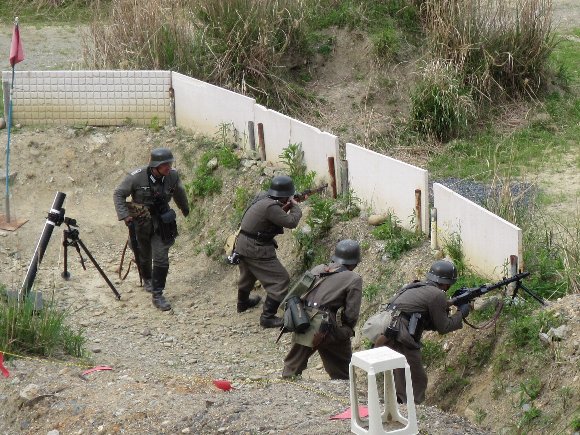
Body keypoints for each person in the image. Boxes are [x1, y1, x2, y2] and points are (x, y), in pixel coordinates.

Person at [373, 259, 470, 404]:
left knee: (400, 373)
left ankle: (399, 404)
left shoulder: (415, 286)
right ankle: (411, 409)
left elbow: (425, 318)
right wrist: (462, 313)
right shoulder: (437, 294)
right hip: (399, 333)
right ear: (446, 283)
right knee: (416, 378)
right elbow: (444, 327)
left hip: (387, 330)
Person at [113, 148, 189, 311]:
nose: (168, 167)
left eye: (169, 163)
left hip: (161, 222)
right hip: (141, 222)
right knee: (143, 254)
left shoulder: (172, 176)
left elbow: (179, 192)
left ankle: (157, 294)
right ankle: (147, 278)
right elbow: (119, 193)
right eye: (165, 165)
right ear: (155, 166)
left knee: (161, 257)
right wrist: (125, 215)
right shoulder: (137, 177)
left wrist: (184, 208)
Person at [282, 239, 363, 380]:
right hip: (324, 324)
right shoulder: (353, 279)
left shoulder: (318, 269)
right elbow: (351, 313)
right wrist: (347, 328)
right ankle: (345, 383)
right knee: (343, 366)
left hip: (302, 318)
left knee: (293, 364)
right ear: (354, 262)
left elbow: (298, 292)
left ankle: (287, 381)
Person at [234, 175, 302, 328]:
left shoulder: (264, 198)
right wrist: (295, 207)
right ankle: (267, 317)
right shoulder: (271, 207)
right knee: (281, 280)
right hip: (256, 248)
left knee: (248, 275)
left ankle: (242, 303)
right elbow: (291, 222)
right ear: (285, 196)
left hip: (243, 244)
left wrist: (288, 205)